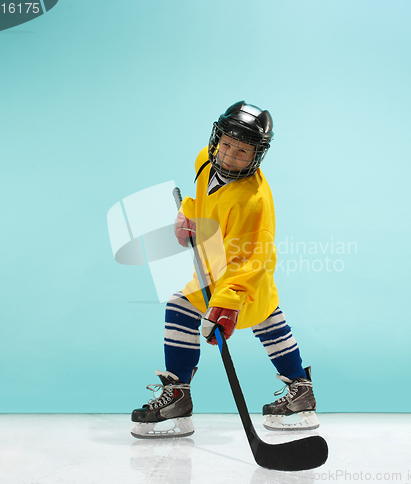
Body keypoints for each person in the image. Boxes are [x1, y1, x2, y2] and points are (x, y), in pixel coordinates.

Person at [130, 101, 319, 438]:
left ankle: (300, 392)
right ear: (217, 139)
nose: (230, 155)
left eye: (242, 151)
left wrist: (228, 302)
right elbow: (201, 198)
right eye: (227, 145)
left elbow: (253, 259)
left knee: (264, 317)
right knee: (186, 307)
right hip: (213, 267)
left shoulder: (253, 200)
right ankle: (178, 396)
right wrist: (187, 216)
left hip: (243, 279)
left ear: (257, 155)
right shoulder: (206, 159)